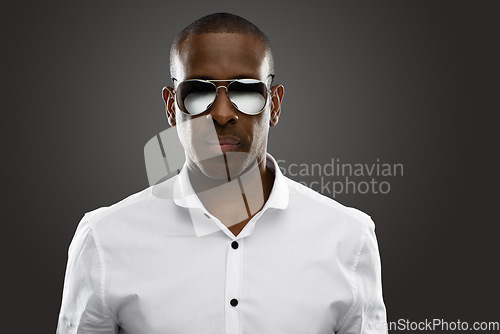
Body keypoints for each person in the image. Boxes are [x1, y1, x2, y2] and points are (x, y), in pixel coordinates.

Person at [56, 12, 387, 334]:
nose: (223, 113)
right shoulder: (104, 239)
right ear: (172, 108)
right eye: (199, 92)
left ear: (275, 105)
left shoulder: (348, 238)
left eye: (246, 91)